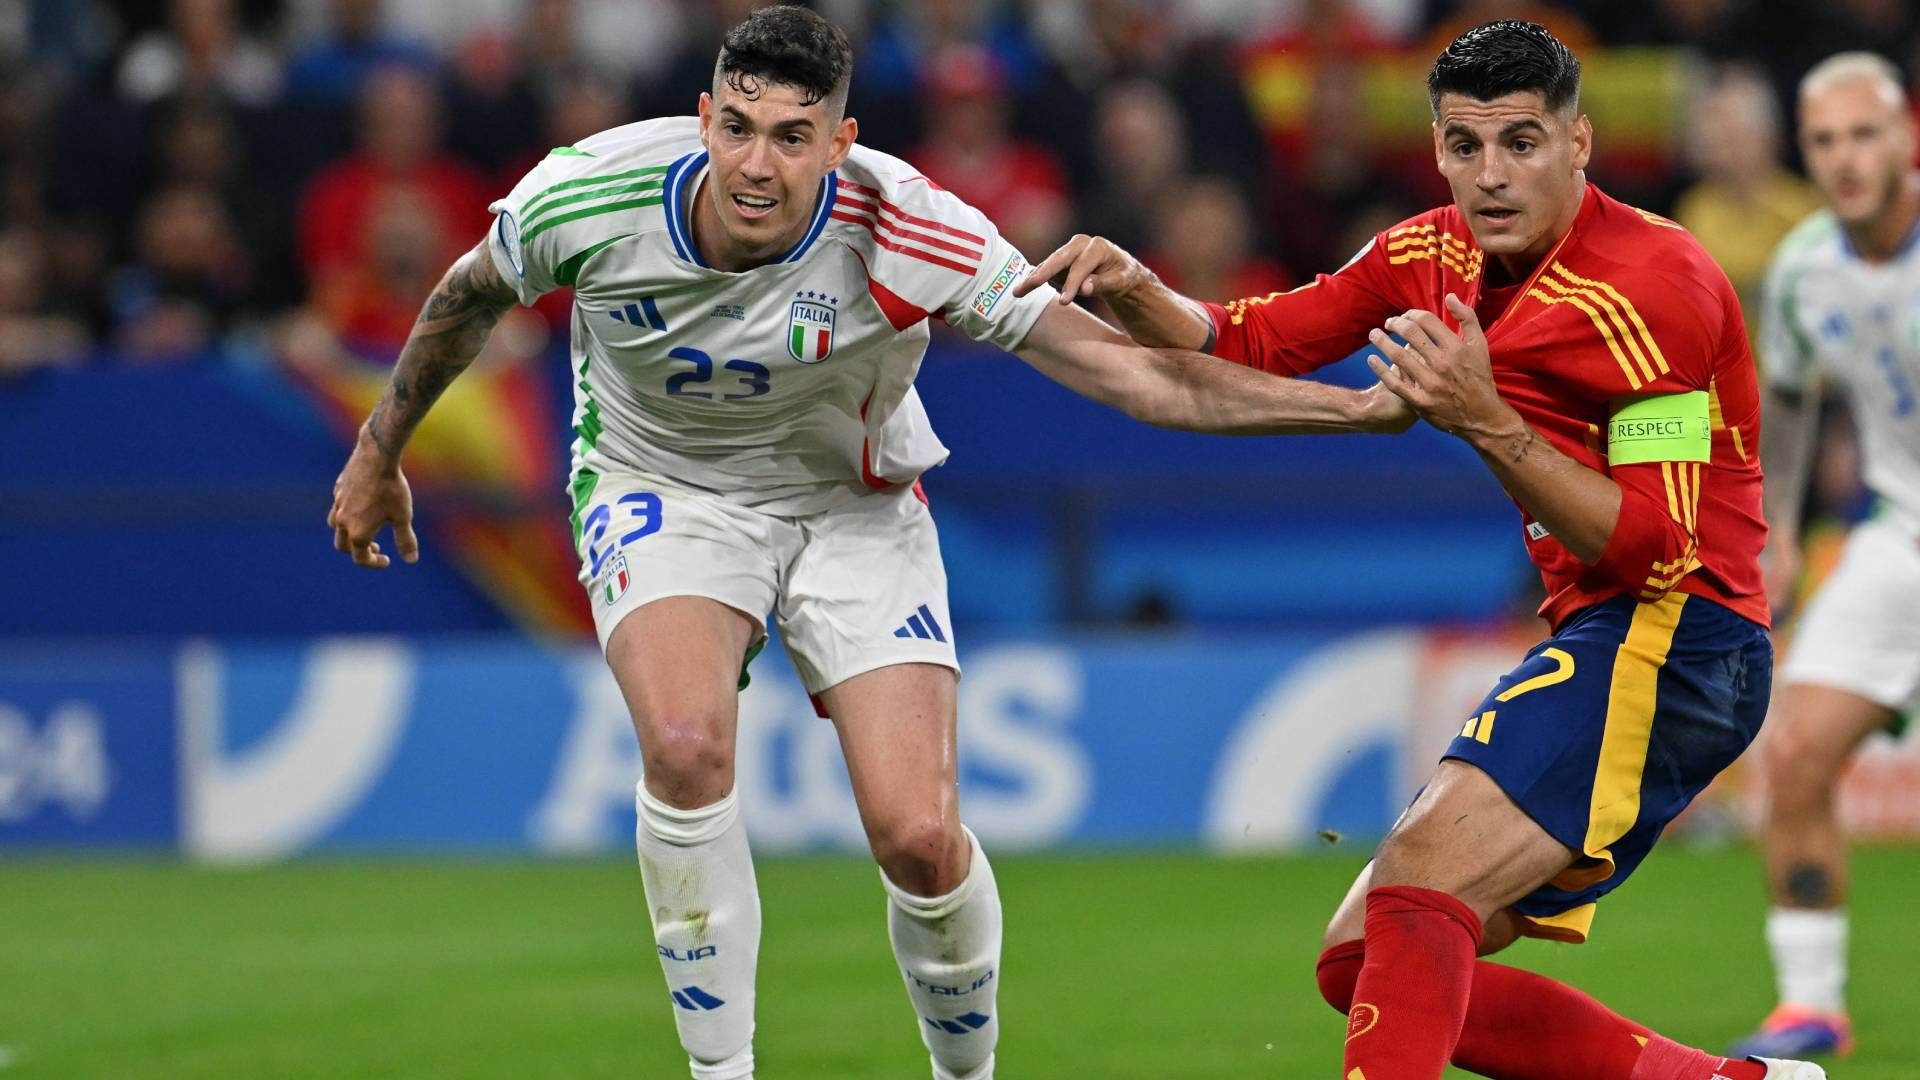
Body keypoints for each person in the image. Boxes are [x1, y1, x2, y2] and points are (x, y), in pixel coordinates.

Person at [323, 8, 1410, 1079]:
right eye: (738, 128)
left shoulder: (912, 229)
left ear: (840, 143)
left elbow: (1144, 380)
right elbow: (468, 295)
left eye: (792, 137)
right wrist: (378, 452)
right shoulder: (589, 194)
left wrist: (1359, 411)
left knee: (920, 840)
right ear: (703, 118)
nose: (758, 165)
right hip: (664, 487)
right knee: (687, 746)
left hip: (854, 506)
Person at [1018, 20, 1822, 1080]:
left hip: (1683, 638)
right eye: (1464, 145)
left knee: (1421, 880)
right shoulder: (1428, 251)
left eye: (1522, 142)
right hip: (1612, 631)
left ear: (1579, 142)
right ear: (1437, 147)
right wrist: (1137, 289)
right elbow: (1251, 336)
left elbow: (1654, 550)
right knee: (1365, 958)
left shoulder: (1654, 288)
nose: (1491, 175)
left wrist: (1485, 418)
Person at [1729, 51, 1920, 1062]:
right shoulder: (1805, 268)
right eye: (1825, 141)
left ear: (1906, 140)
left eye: (1864, 135)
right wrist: (1782, 530)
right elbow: (1792, 396)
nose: (1846, 158)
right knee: (1797, 753)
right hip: (1901, 542)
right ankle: (1811, 1005)